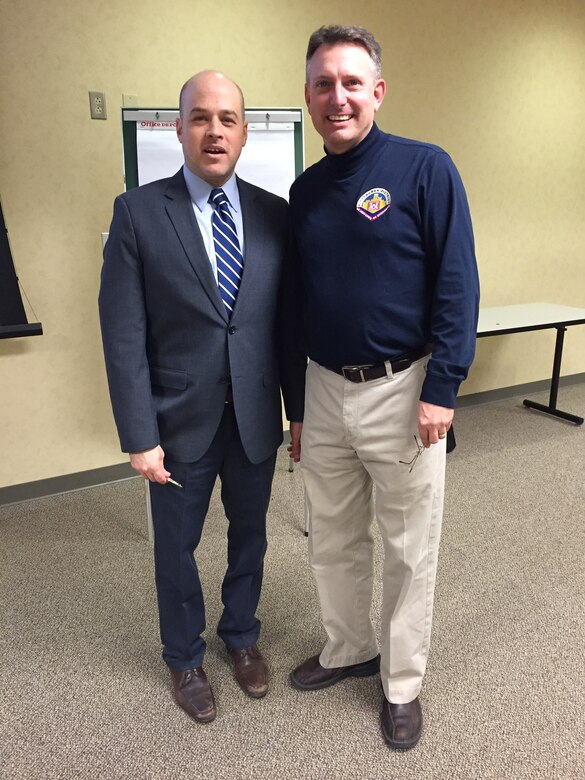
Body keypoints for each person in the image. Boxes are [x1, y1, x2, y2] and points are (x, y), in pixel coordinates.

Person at [286, 25, 480, 749]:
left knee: (406, 545)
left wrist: (445, 387)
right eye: (322, 84)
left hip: (405, 390)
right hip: (323, 388)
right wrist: (297, 406)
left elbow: (456, 284)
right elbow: (293, 308)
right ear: (307, 95)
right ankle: (348, 649)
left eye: (349, 82)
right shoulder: (303, 192)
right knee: (331, 537)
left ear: (376, 91)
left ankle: (400, 683)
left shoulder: (425, 168)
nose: (336, 97)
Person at [99, 70, 303, 724]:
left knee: (250, 538)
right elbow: (123, 332)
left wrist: (296, 411)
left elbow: (287, 326)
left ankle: (240, 637)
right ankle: (183, 656)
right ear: (179, 127)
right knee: (175, 547)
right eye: (200, 118)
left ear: (244, 132)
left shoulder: (276, 216)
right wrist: (138, 433)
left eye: (227, 119)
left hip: (252, 419)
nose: (214, 130)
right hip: (175, 422)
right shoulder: (136, 213)